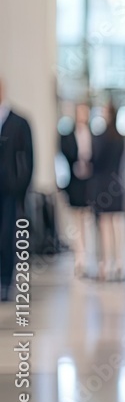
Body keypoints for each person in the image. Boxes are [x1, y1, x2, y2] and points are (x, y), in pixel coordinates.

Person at [0, 80, 34, 302]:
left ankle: (5, 281)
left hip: (9, 191)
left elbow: (29, 159)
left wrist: (19, 186)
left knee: (6, 236)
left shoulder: (19, 122)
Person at [91, 103, 125, 281]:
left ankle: (106, 264)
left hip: (103, 185)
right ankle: (119, 262)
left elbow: (95, 161)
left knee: (105, 226)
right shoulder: (120, 137)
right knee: (117, 225)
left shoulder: (101, 137)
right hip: (116, 184)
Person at [60, 102, 94, 278]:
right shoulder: (66, 136)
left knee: (86, 220)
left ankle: (87, 255)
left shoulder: (93, 136)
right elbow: (65, 156)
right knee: (75, 222)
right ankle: (79, 256)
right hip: (74, 183)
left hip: (89, 184)